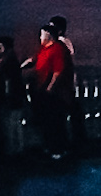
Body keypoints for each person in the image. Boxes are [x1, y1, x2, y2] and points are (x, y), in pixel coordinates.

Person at [32, 19, 77, 160]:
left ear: (49, 36)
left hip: (57, 94)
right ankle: (51, 146)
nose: (40, 38)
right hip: (46, 92)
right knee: (49, 122)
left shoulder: (58, 49)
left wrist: (50, 88)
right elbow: (35, 61)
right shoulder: (45, 50)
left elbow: (58, 71)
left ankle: (59, 148)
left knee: (56, 122)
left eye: (42, 35)